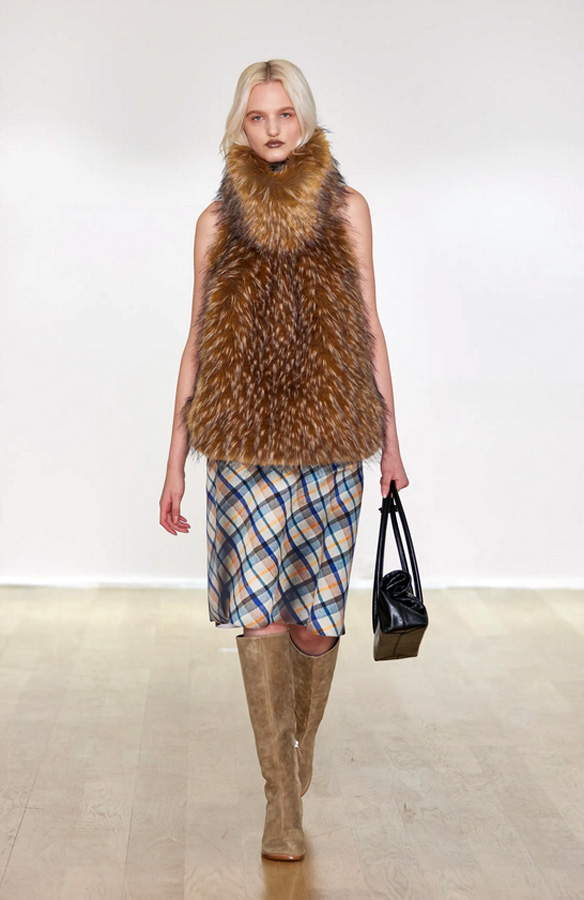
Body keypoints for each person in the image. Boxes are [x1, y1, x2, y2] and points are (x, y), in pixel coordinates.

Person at [159, 59, 409, 862]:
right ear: (240, 125)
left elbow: (370, 329)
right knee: (260, 615)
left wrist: (392, 442)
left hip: (333, 446)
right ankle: (280, 801)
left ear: (305, 120)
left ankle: (297, 750)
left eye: (285, 115)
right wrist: (175, 460)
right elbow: (196, 343)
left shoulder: (347, 209)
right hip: (243, 453)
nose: (272, 130)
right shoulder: (215, 222)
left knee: (315, 627)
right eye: (257, 116)